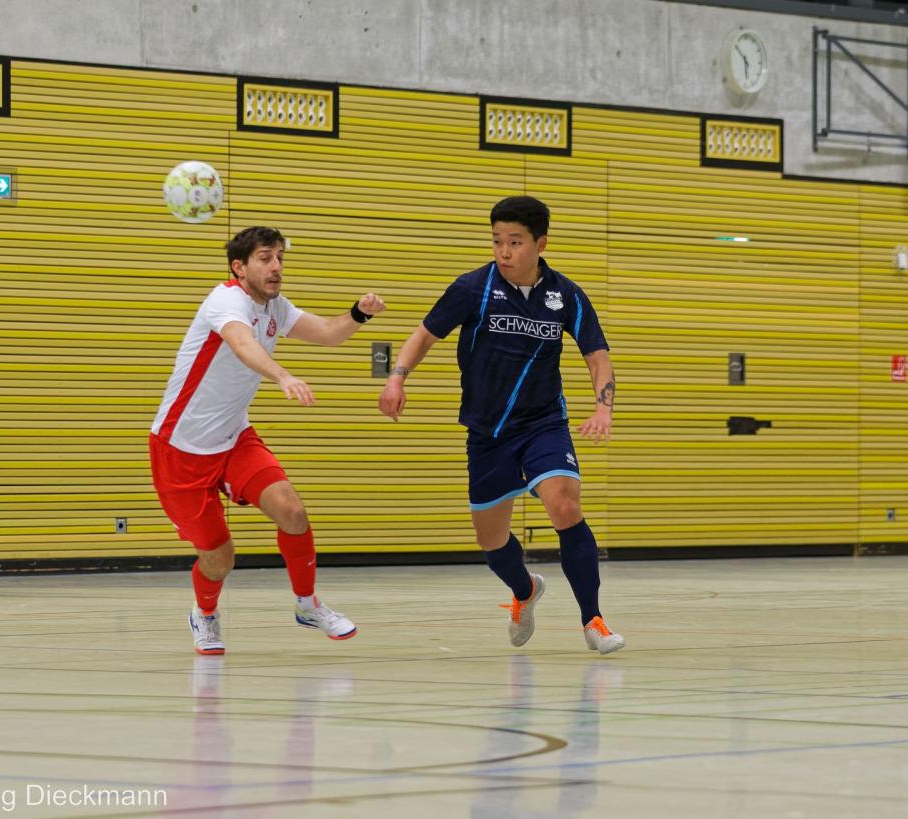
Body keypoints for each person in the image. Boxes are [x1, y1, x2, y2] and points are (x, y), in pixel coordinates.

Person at [378, 196, 624, 655]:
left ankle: (592, 619)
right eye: (497, 241)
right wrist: (396, 378)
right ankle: (525, 590)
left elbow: (597, 354)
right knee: (491, 540)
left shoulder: (566, 295)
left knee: (565, 505)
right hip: (488, 432)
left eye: (514, 242)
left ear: (540, 244)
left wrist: (603, 407)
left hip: (544, 423)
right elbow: (424, 335)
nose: (504, 251)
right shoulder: (472, 287)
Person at [150, 226, 385, 655]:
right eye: (264, 258)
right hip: (181, 448)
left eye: (279, 257)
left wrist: (359, 313)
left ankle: (307, 605)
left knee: (292, 512)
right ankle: (205, 614)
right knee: (219, 558)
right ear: (239, 268)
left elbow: (328, 332)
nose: (276, 266)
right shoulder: (225, 301)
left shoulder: (276, 306)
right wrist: (283, 376)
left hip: (234, 437)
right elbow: (243, 344)